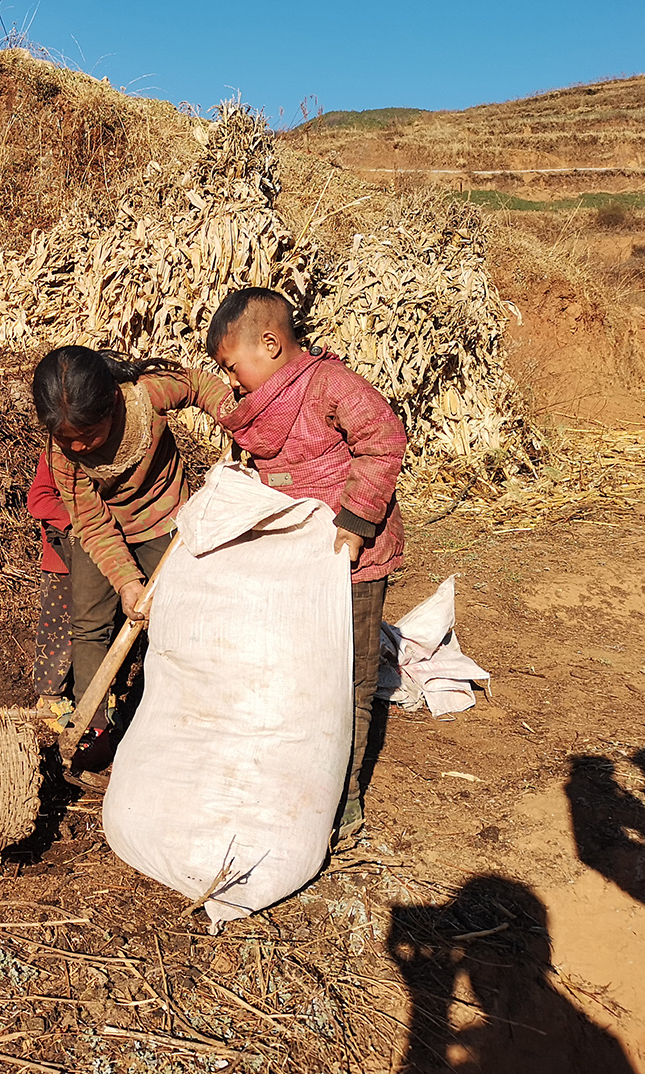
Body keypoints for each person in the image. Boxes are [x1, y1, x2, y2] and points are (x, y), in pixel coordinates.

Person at [207, 288, 406, 846]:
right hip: (296, 567)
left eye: (232, 366)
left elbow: (385, 439)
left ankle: (343, 798)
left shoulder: (328, 384)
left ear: (270, 344)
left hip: (352, 562)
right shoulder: (256, 413)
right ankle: (296, 780)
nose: (231, 381)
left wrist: (355, 521)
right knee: (298, 674)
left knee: (351, 679)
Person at [31, 345, 236, 771]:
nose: (80, 445)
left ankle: (160, 714)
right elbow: (91, 523)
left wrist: (232, 416)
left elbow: (198, 384)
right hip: (104, 532)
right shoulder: (64, 458)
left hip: (165, 523)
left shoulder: (147, 398)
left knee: (168, 621)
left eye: (88, 434)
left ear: (112, 404)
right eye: (67, 439)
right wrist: (126, 581)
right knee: (90, 621)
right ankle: (97, 726)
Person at [26, 447, 73, 714]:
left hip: (104, 557)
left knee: (96, 629)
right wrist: (78, 520)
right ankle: (50, 701)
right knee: (57, 631)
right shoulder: (56, 453)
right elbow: (39, 499)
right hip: (62, 563)